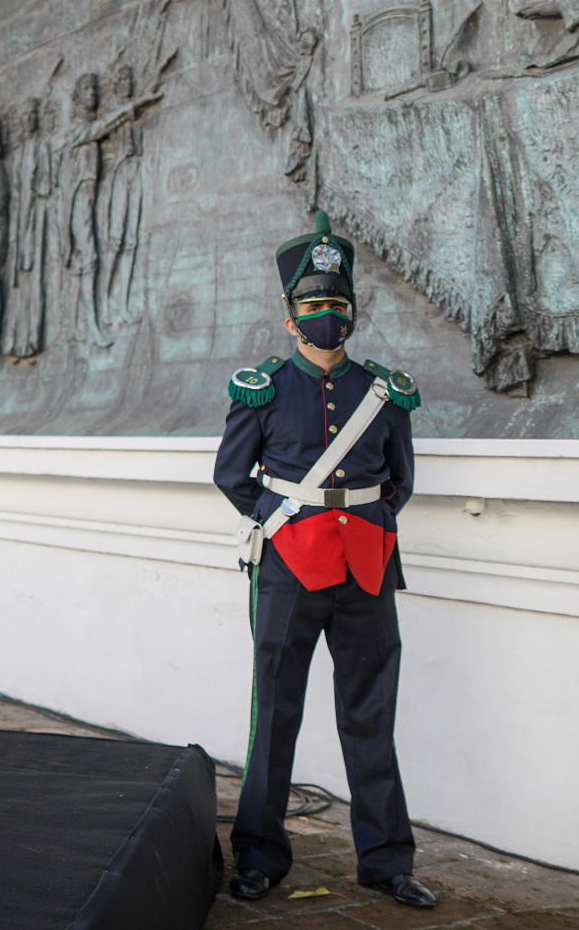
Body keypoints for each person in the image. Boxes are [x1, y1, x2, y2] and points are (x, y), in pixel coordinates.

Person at [214, 211, 433, 909]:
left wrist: (364, 525)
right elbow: (231, 475)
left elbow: (399, 481)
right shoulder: (266, 387)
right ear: (290, 316)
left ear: (353, 314)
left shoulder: (384, 394)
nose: (327, 316)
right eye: (314, 306)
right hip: (286, 569)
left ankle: (387, 859)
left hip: (366, 569)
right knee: (275, 714)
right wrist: (282, 529)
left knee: (371, 715)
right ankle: (257, 854)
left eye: (338, 306)